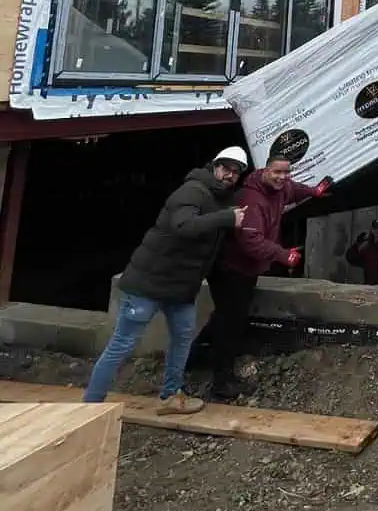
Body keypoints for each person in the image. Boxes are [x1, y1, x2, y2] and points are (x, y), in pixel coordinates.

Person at [83, 147, 248, 413]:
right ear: (214, 166)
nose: (230, 175)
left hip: (180, 289)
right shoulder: (193, 191)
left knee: (182, 340)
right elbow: (183, 226)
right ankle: (89, 406)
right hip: (148, 285)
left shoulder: (221, 200)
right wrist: (226, 218)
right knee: (122, 344)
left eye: (236, 172)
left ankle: (171, 396)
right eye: (225, 168)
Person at [202, 156, 331, 401]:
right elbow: (251, 242)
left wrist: (313, 191)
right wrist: (283, 255)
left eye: (286, 172)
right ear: (265, 170)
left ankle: (198, 356)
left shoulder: (281, 188)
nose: (282, 178)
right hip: (231, 269)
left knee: (227, 317)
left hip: (246, 270)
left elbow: (294, 190)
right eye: (277, 173)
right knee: (231, 322)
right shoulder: (252, 200)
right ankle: (221, 382)